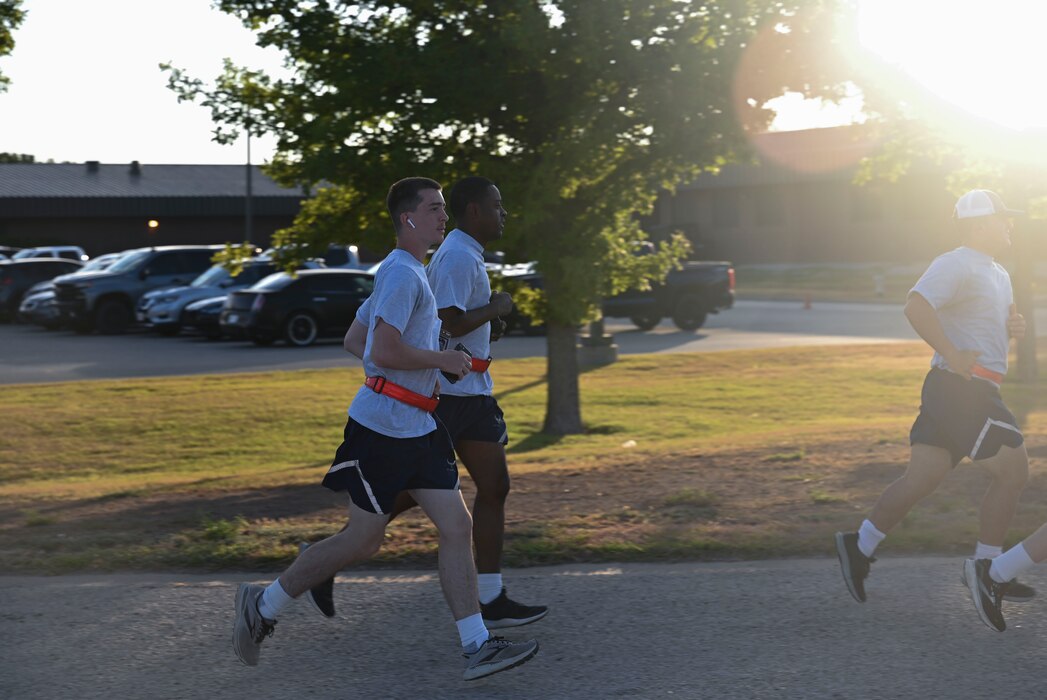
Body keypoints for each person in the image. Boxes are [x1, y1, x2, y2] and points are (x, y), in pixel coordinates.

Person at [231, 177, 540, 681]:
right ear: (407, 219)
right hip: (384, 429)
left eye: (444, 209)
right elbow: (381, 349)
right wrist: (436, 359)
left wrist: (401, 371)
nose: (444, 217)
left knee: (457, 527)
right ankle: (262, 605)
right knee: (363, 540)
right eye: (435, 209)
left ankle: (477, 645)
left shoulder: (407, 272)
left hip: (417, 424)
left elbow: (358, 337)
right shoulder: (402, 275)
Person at [308, 176, 548, 629]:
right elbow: (448, 325)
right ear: (474, 211)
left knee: (488, 488)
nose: (504, 214)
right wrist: (496, 310)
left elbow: (449, 324)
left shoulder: (460, 254)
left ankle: (489, 597)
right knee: (416, 493)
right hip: (452, 394)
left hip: (471, 391)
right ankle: (326, 560)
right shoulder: (453, 257)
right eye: (496, 206)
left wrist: (486, 326)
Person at [835, 189, 1031, 604]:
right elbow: (916, 306)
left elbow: (980, 323)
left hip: (965, 386)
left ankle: (861, 545)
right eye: (1002, 218)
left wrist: (1011, 328)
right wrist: (954, 352)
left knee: (922, 478)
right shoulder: (955, 263)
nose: (1010, 224)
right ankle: (987, 568)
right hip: (962, 389)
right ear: (979, 225)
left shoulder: (998, 272)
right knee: (1013, 470)